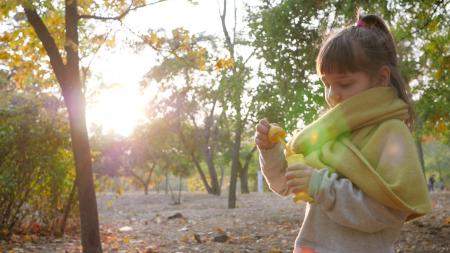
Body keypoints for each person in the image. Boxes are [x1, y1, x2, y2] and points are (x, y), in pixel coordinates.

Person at [255, 11, 432, 253]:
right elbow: (284, 184)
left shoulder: (391, 134)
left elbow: (387, 212)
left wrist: (320, 186)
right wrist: (270, 152)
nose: (332, 95)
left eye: (345, 83)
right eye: (326, 84)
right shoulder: (327, 133)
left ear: (381, 78)